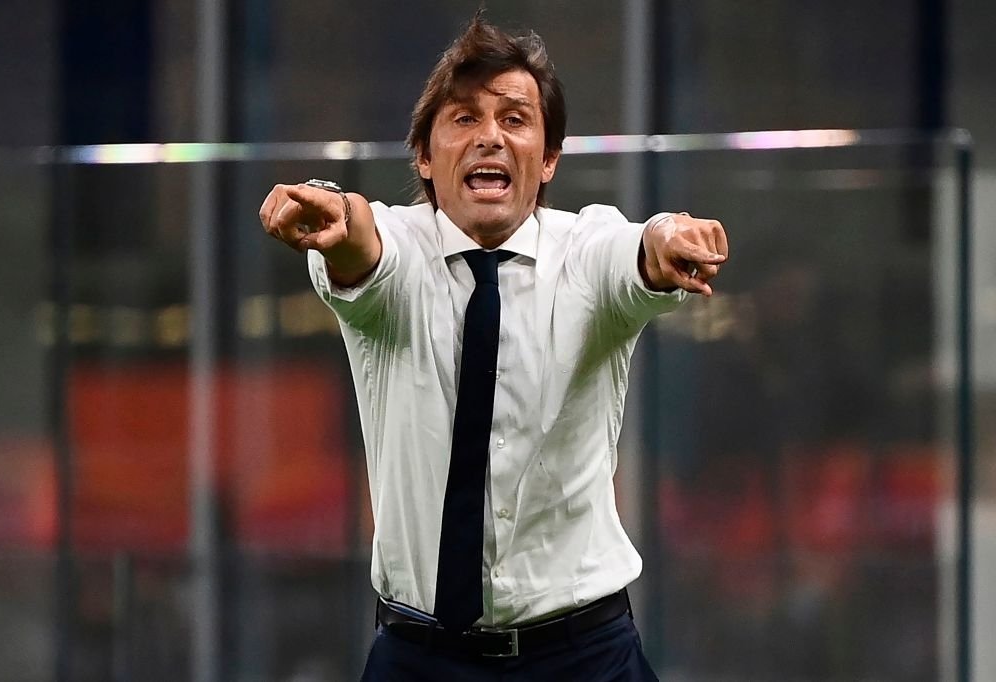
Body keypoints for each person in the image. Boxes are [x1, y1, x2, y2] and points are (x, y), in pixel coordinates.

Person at [259, 14, 728, 682]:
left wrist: (666, 240)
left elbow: (632, 250)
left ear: (549, 158)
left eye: (514, 119)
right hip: (420, 658)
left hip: (586, 657)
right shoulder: (399, 250)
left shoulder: (584, 250)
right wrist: (334, 209)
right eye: (464, 118)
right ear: (425, 157)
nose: (490, 137)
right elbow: (364, 242)